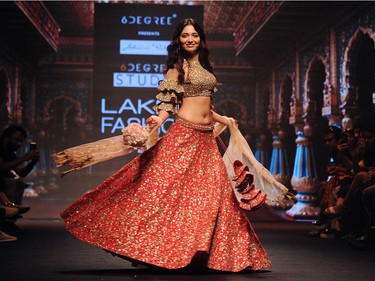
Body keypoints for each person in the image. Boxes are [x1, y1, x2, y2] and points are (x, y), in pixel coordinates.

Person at [61, 18, 290, 272]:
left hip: (205, 139)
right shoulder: (176, 68)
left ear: (200, 39)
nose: (190, 39)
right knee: (161, 190)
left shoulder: (205, 66)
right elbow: (169, 103)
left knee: (218, 195)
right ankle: (156, 247)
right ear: (178, 40)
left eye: (194, 35)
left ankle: (215, 254)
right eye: (184, 35)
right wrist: (157, 119)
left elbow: (206, 105)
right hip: (183, 135)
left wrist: (223, 119)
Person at [0, 125, 39, 213]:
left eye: (21, 141)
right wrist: (24, 158)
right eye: (16, 140)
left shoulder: (10, 153)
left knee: (19, 183)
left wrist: (32, 162)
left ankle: (11, 217)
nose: (19, 144)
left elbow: (21, 172)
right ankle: (8, 206)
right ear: (7, 138)